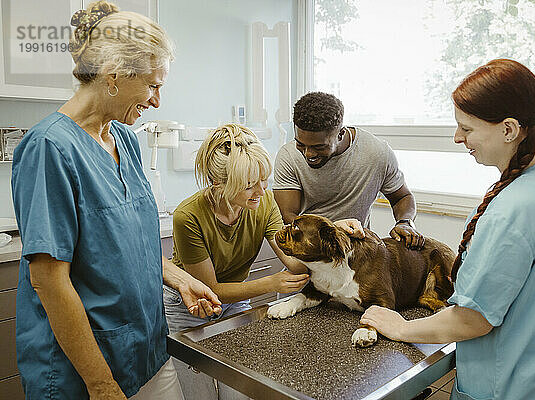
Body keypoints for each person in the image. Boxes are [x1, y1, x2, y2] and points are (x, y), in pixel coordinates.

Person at [11, 2, 221, 399]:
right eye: (153, 85)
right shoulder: (49, 148)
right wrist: (102, 385)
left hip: (146, 349)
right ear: (113, 77)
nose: (157, 101)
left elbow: (124, 243)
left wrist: (180, 278)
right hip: (85, 370)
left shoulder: (124, 138)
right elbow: (49, 281)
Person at [360, 59, 535, 399]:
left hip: (515, 386)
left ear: (509, 129)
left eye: (467, 128)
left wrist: (401, 327)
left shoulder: (514, 209)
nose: (458, 138)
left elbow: (473, 320)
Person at [163, 123, 361, 399]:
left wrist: (334, 234)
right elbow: (211, 289)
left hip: (236, 302)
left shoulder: (264, 202)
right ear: (220, 184)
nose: (260, 190)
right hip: (190, 306)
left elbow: (293, 263)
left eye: (263, 180)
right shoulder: (189, 217)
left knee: (240, 391)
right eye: (248, 185)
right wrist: (271, 283)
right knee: (201, 394)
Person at [273, 91, 424, 249]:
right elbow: (288, 216)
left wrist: (405, 222)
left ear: (340, 134)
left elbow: (402, 197)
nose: (308, 153)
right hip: (311, 252)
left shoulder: (377, 153)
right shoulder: (288, 156)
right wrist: (333, 231)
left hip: (359, 252)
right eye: (301, 144)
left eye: (319, 147)